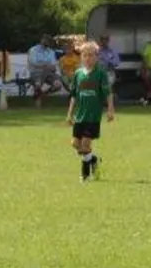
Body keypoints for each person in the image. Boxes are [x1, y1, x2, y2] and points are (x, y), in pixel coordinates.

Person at [66, 42, 115, 181]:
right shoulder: (78, 74)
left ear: (96, 57)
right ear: (81, 57)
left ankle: (85, 175)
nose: (88, 58)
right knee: (76, 144)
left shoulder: (100, 73)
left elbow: (108, 93)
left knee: (86, 144)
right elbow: (74, 95)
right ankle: (94, 160)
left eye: (91, 55)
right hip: (79, 116)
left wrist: (110, 110)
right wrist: (69, 114)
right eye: (85, 55)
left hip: (93, 116)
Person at [27, 34, 62, 108]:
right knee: (38, 83)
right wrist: (46, 65)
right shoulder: (33, 50)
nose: (47, 42)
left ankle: (41, 93)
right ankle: (38, 91)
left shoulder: (51, 52)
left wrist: (44, 65)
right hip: (36, 72)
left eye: (49, 41)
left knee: (58, 85)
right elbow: (33, 63)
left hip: (49, 73)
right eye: (46, 40)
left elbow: (53, 67)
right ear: (41, 40)